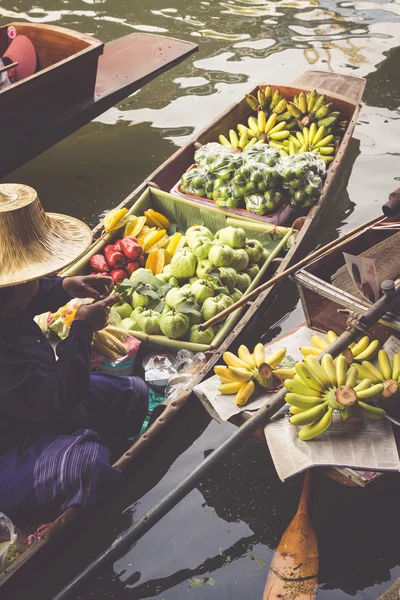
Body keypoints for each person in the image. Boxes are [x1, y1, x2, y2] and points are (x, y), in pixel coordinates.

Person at [0, 183, 149, 521]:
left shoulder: (8, 302)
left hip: (29, 404)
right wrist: (81, 329)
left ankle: (79, 447)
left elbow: (24, 298)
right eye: (38, 276)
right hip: (8, 444)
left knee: (132, 393)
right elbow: (54, 396)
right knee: (88, 465)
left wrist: (64, 287)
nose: (41, 278)